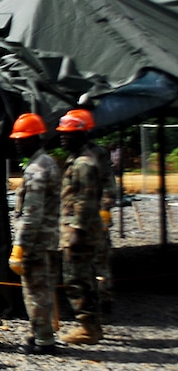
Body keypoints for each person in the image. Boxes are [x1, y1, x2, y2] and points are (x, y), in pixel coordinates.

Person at [8, 113, 61, 355]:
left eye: (23, 139)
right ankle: (37, 332)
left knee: (36, 290)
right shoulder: (43, 163)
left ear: (36, 138)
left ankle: (43, 339)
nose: (18, 143)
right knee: (37, 288)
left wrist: (20, 246)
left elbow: (32, 213)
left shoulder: (38, 169)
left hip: (36, 242)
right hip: (43, 239)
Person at [56, 110, 104, 344]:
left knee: (77, 278)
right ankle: (91, 324)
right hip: (77, 230)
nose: (63, 138)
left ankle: (88, 327)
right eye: (63, 134)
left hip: (80, 233)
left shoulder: (83, 163)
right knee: (83, 277)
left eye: (69, 134)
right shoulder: (78, 159)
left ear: (83, 134)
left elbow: (85, 200)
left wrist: (76, 230)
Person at [69, 108, 118, 316]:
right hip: (88, 215)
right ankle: (99, 303)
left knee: (98, 261)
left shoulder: (92, 157)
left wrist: (105, 209)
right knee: (93, 262)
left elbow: (107, 185)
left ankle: (103, 303)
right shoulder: (81, 155)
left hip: (93, 216)